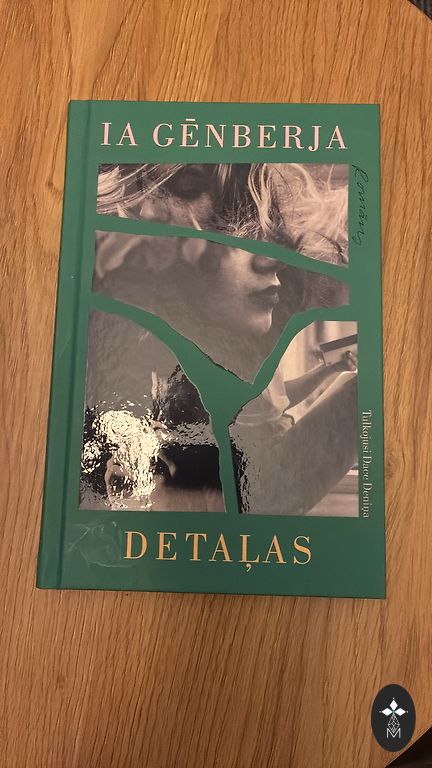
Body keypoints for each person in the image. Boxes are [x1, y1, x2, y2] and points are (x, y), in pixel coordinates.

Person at [82, 162, 357, 514]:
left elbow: (280, 400)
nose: (273, 262)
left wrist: (331, 369)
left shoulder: (246, 350)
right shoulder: (150, 352)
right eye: (231, 238)